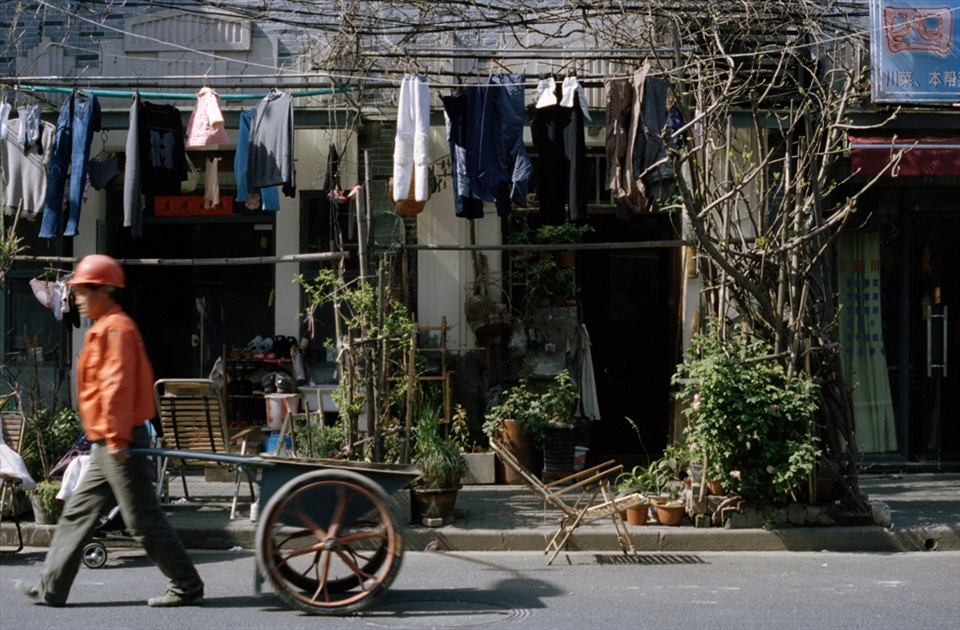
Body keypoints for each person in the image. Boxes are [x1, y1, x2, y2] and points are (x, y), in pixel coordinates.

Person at [18, 254, 204, 608]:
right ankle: (51, 587)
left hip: (119, 439)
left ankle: (186, 585)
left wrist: (116, 439)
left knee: (141, 519)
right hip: (104, 441)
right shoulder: (105, 326)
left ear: (103, 289)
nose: (77, 298)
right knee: (78, 513)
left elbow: (117, 387)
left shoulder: (116, 328)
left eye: (83, 291)